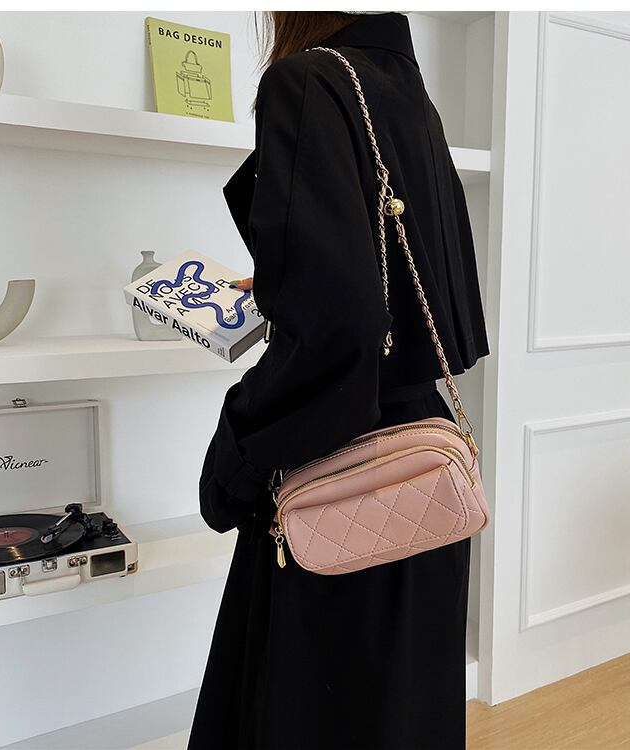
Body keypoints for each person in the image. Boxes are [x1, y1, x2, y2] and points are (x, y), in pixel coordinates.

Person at [187, 11, 490, 750]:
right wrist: (296, 287)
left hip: (336, 466)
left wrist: (234, 462)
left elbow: (339, 334)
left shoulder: (310, 80)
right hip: (423, 466)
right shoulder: (410, 95)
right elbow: (426, 304)